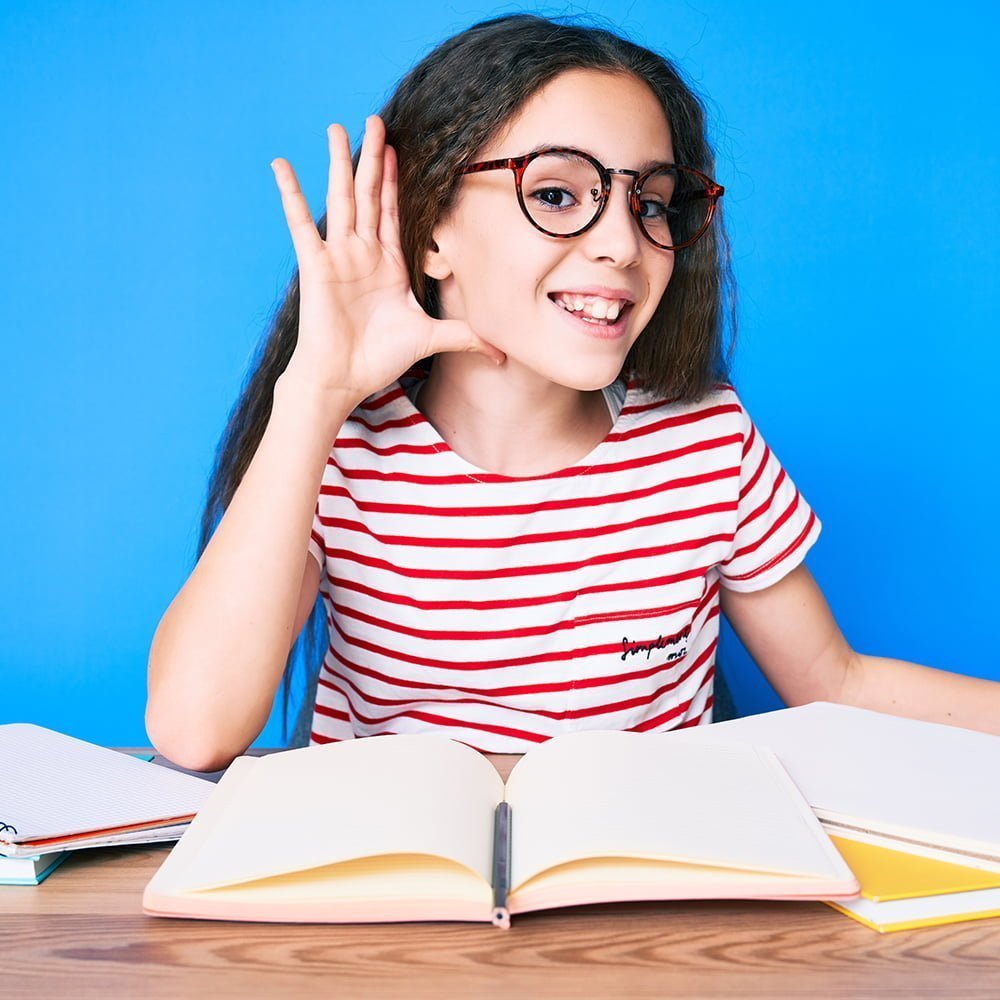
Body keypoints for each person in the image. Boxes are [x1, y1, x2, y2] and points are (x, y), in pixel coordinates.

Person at [145, 13, 1000, 773]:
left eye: (654, 205)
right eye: (557, 194)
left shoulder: (707, 444)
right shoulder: (336, 454)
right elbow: (194, 731)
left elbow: (836, 681)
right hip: (395, 923)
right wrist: (314, 397)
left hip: (641, 915)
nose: (624, 245)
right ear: (432, 227)